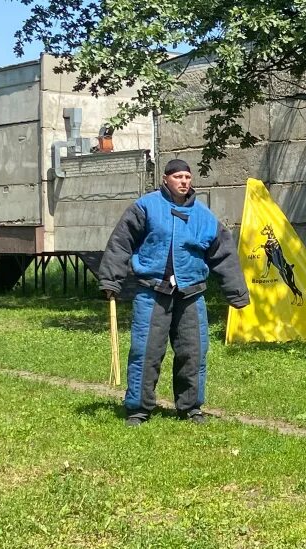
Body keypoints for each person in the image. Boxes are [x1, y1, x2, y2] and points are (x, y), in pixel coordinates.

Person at [98, 159, 250, 427]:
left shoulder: (204, 216)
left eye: (187, 177)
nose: (184, 182)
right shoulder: (146, 207)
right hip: (152, 292)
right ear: (166, 179)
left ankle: (190, 407)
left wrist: (236, 294)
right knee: (146, 352)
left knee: (194, 353)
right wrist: (111, 280)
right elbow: (122, 242)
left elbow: (224, 254)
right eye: (178, 177)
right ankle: (138, 409)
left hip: (191, 294)